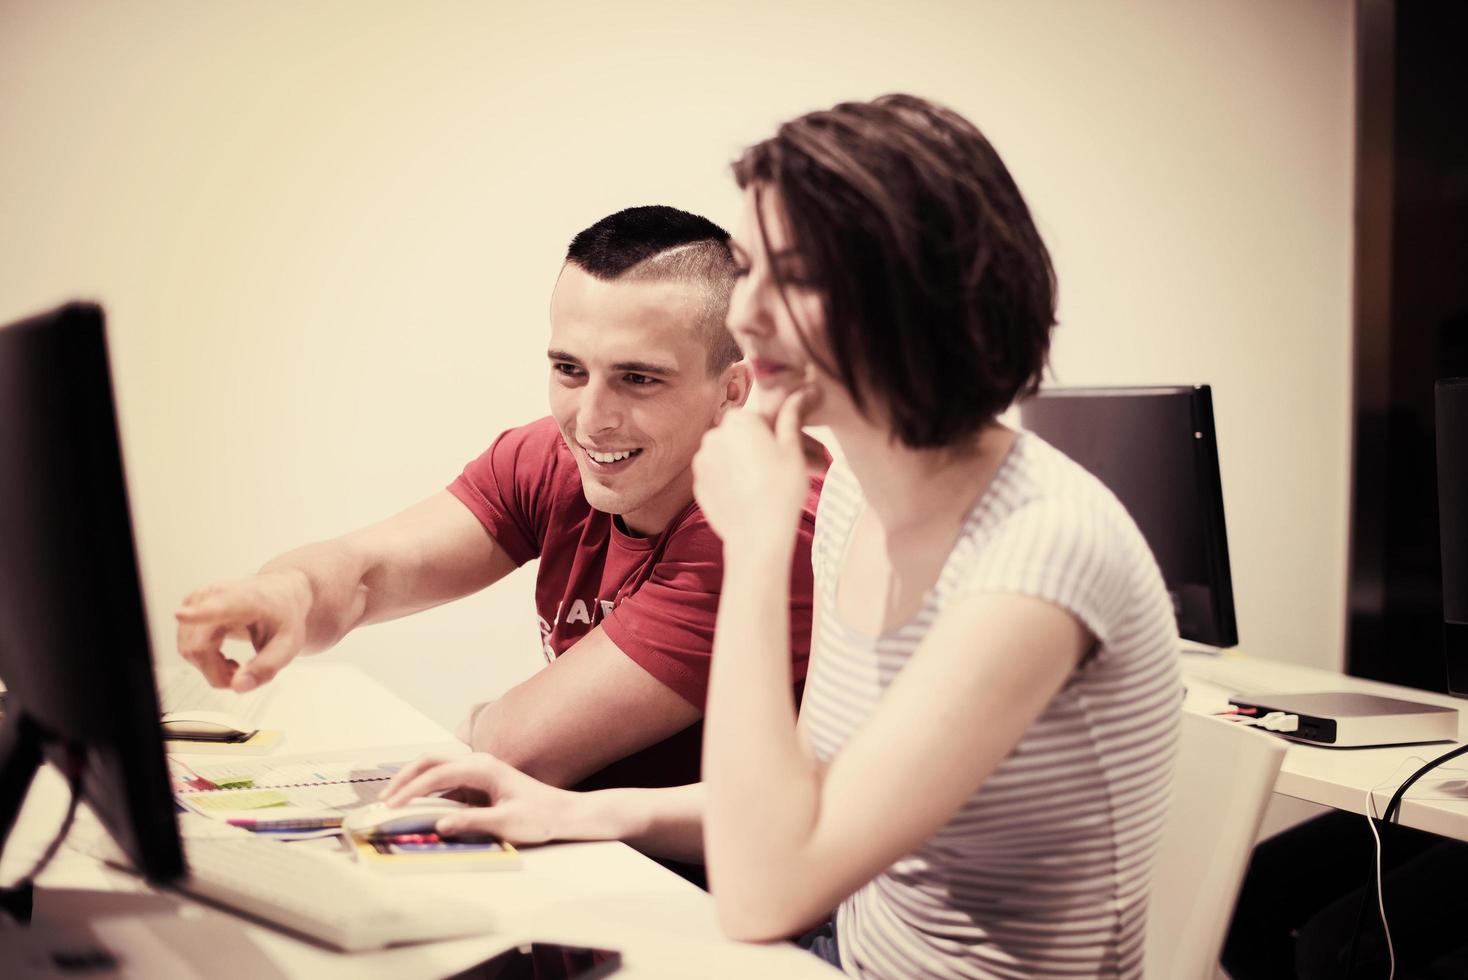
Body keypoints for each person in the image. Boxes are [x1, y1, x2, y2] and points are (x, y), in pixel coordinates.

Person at [383, 95, 1182, 978]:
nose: (748, 312)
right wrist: (584, 812)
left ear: (914, 299)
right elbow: (794, 805)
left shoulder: (1038, 552)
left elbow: (769, 887)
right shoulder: (857, 500)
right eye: (752, 267)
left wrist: (758, 546)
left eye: (792, 275)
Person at [175, 206, 823, 810]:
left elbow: (520, 750)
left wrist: (480, 722)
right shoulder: (557, 458)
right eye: (570, 370)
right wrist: (286, 593)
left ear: (733, 389)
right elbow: (369, 574)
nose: (591, 421)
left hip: (715, 904)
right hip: (595, 854)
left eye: (639, 378)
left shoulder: (765, 525)